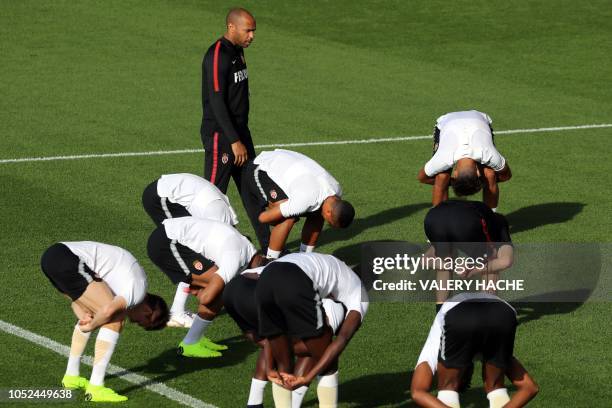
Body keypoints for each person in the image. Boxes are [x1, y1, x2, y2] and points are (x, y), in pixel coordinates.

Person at [40, 241, 169, 402]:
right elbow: (107, 312)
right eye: (140, 322)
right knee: (115, 319)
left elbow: (77, 302)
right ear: (148, 311)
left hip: (52, 257)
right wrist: (92, 326)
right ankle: (96, 388)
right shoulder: (137, 292)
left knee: (92, 314)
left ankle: (71, 377)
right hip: (68, 259)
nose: (134, 322)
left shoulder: (126, 287)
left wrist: (85, 314)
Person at [254, 253, 369, 408]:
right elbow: (342, 339)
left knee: (283, 364)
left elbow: (273, 335)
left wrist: (269, 368)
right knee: (328, 366)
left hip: (266, 277)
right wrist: (308, 378)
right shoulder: (359, 294)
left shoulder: (337, 267)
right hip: (295, 279)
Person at [223, 269, 347, 408]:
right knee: (296, 347)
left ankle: (255, 403)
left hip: (233, 291)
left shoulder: (318, 280)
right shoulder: (331, 308)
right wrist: (308, 376)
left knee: (278, 342)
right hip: (256, 293)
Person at [147, 216, 266, 358]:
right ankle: (191, 342)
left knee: (224, 288)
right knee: (222, 290)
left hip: (171, 238)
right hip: (166, 243)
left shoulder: (248, 252)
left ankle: (193, 340)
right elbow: (206, 298)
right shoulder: (235, 258)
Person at [142, 173, 238, 328]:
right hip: (162, 197)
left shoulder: (226, 224)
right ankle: (177, 313)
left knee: (188, 253)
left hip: (170, 194)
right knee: (183, 250)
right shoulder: (220, 222)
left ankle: (178, 309)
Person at [410, 292, 539, 408]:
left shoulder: (435, 347)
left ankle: (449, 393)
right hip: (503, 312)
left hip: (467, 313)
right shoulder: (488, 349)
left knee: (447, 387)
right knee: (495, 386)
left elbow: (417, 392)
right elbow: (530, 388)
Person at [241, 149, 355, 259]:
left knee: (318, 214)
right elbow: (263, 218)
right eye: (330, 223)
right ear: (329, 212)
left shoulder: (337, 189)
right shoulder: (306, 199)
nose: (328, 224)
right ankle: (270, 262)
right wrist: (275, 218)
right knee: (287, 218)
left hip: (289, 165)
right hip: (262, 166)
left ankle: (304, 257)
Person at [201, 8, 256, 194]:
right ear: (231, 27)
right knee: (212, 196)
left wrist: (240, 137)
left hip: (240, 133)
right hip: (222, 136)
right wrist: (234, 141)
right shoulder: (217, 55)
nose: (252, 36)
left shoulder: (238, 51)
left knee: (255, 192)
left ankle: (266, 224)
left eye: (253, 30)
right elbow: (216, 101)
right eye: (247, 30)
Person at [424, 199, 514, 307]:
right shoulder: (500, 227)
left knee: (444, 258)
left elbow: (425, 260)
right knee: (491, 260)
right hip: (466, 222)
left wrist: (452, 265)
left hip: (433, 218)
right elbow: (506, 261)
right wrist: (474, 269)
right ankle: (486, 310)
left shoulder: (479, 216)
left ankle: (441, 312)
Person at [417, 110, 512, 210]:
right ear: (478, 172)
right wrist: (466, 183)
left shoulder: (488, 154)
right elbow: (506, 175)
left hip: (478, 120)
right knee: (442, 177)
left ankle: (491, 220)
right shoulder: (444, 158)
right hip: (446, 122)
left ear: (455, 174)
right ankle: (440, 220)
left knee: (490, 175)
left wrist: (462, 183)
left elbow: (422, 178)